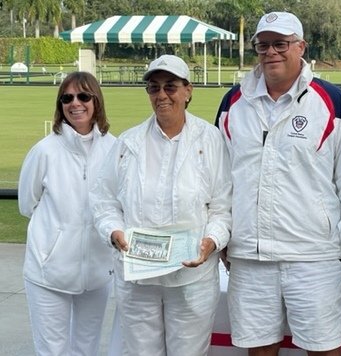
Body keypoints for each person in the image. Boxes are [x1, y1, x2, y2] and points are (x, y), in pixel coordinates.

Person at [215, 11, 341, 356]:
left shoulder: (333, 102)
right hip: (250, 257)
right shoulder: (233, 102)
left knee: (324, 349)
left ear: (301, 47)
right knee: (259, 350)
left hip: (315, 257)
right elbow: (220, 179)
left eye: (280, 44)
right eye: (263, 45)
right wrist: (223, 236)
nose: (271, 52)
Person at [90, 54, 231, 356]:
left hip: (192, 276)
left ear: (188, 90)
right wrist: (114, 232)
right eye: (154, 88)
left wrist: (212, 241)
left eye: (170, 87)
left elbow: (222, 205)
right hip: (139, 277)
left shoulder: (211, 139)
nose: (162, 95)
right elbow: (104, 200)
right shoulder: (128, 142)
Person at [18, 71, 116, 355]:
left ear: (96, 101)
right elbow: (28, 204)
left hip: (98, 273)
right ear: (60, 105)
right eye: (67, 97)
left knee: (86, 349)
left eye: (84, 96)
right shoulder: (44, 151)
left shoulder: (115, 148)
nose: (76, 103)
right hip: (48, 273)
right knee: (53, 351)